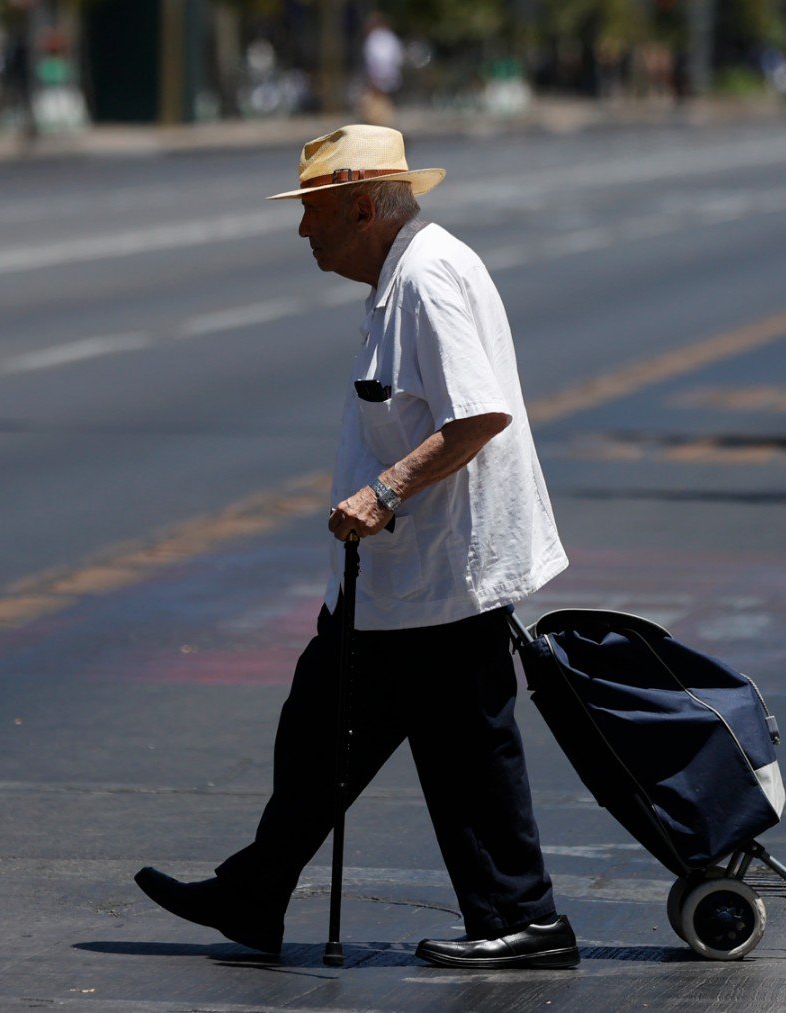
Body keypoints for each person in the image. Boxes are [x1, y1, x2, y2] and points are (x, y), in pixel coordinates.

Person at [134, 124, 577, 970]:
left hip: (446, 572)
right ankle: (256, 891)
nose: (304, 231)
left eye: (314, 213)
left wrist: (384, 490)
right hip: (396, 580)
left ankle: (527, 921)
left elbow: (479, 414)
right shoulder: (399, 275)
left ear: (364, 207)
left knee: (467, 755)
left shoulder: (429, 278)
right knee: (318, 726)